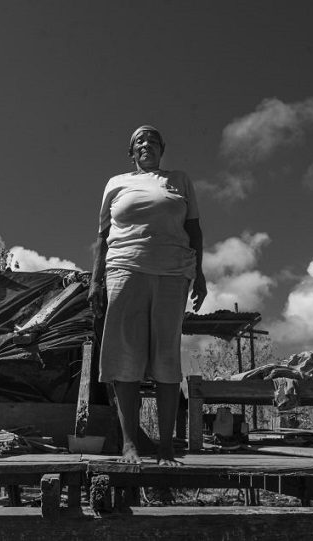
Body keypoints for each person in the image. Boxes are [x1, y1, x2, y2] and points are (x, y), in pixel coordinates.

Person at [89, 125, 207, 466]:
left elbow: (194, 229)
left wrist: (199, 273)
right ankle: (130, 445)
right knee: (125, 354)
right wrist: (96, 282)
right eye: (139, 141)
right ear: (131, 152)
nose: (146, 144)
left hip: (173, 271)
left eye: (153, 140)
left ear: (162, 150)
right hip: (124, 268)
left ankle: (167, 446)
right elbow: (102, 237)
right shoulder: (116, 183)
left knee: (166, 356)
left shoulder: (179, 180)